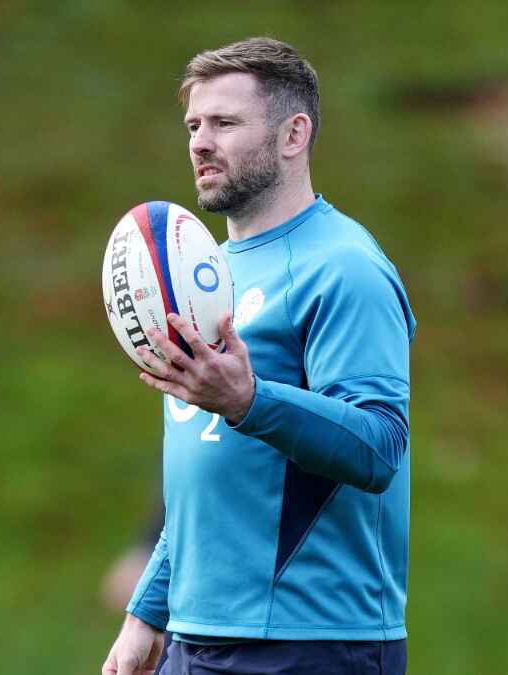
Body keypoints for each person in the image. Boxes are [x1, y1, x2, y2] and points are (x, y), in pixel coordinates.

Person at [101, 38, 417, 675]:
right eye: (194, 125)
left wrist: (248, 400)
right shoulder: (201, 273)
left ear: (294, 134)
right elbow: (207, 474)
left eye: (225, 123)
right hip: (196, 633)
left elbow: (381, 446)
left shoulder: (343, 267)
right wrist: (148, 612)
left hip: (309, 640)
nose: (200, 142)